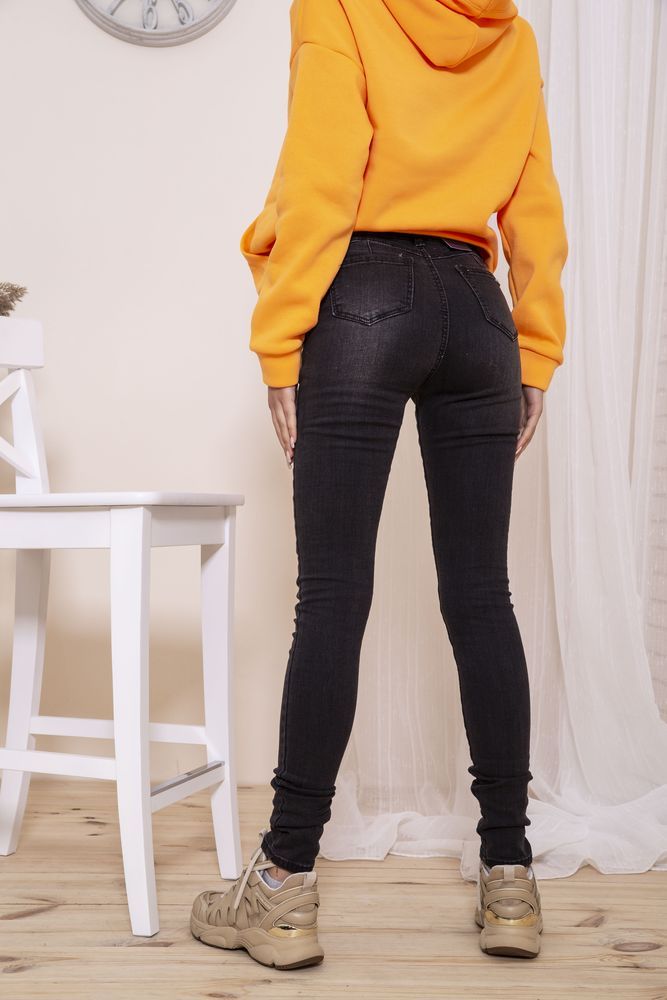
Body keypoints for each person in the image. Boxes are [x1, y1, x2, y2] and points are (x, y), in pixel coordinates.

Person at [191, 0, 567, 969]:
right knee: (483, 597)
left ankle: (282, 886)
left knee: (330, 598)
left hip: (360, 296)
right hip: (477, 314)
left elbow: (323, 170)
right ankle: (510, 878)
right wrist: (535, 346)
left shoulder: (339, 4)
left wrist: (280, 335)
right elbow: (533, 200)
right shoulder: (509, 31)